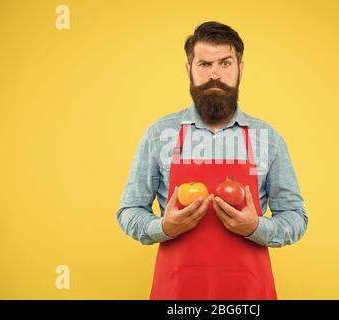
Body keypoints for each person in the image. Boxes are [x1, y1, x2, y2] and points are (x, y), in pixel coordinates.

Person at [116, 21, 308, 300]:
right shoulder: (160, 134)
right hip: (178, 295)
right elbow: (129, 210)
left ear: (240, 68)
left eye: (225, 63)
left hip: (248, 295)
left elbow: (295, 217)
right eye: (204, 64)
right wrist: (164, 228)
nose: (214, 74)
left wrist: (256, 228)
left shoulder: (268, 139)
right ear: (189, 70)